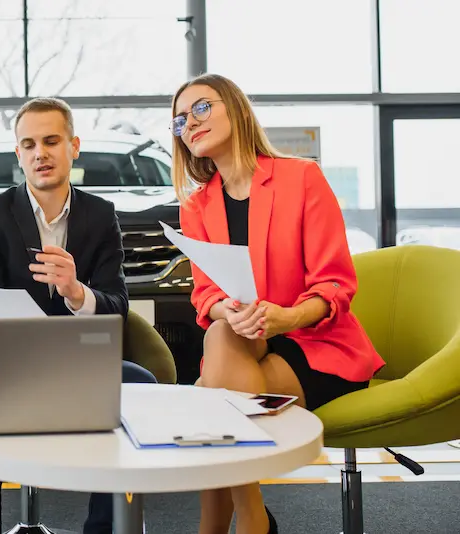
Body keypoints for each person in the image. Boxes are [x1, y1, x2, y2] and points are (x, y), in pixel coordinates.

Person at [169, 73, 386, 534]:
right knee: (221, 332)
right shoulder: (196, 207)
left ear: (237, 108)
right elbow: (206, 294)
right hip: (243, 346)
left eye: (202, 108)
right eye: (180, 120)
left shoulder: (301, 178)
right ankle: (251, 517)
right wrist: (228, 310)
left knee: (213, 395)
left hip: (316, 345)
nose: (190, 123)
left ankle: (239, 522)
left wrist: (287, 316)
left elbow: (336, 284)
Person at [0, 96, 158, 534]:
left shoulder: (101, 216)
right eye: (28, 144)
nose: (39, 153)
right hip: (8, 365)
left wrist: (75, 290)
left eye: (50, 141)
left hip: (79, 363)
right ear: (18, 155)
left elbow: (118, 309)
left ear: (73, 146)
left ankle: (104, 530)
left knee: (141, 384)